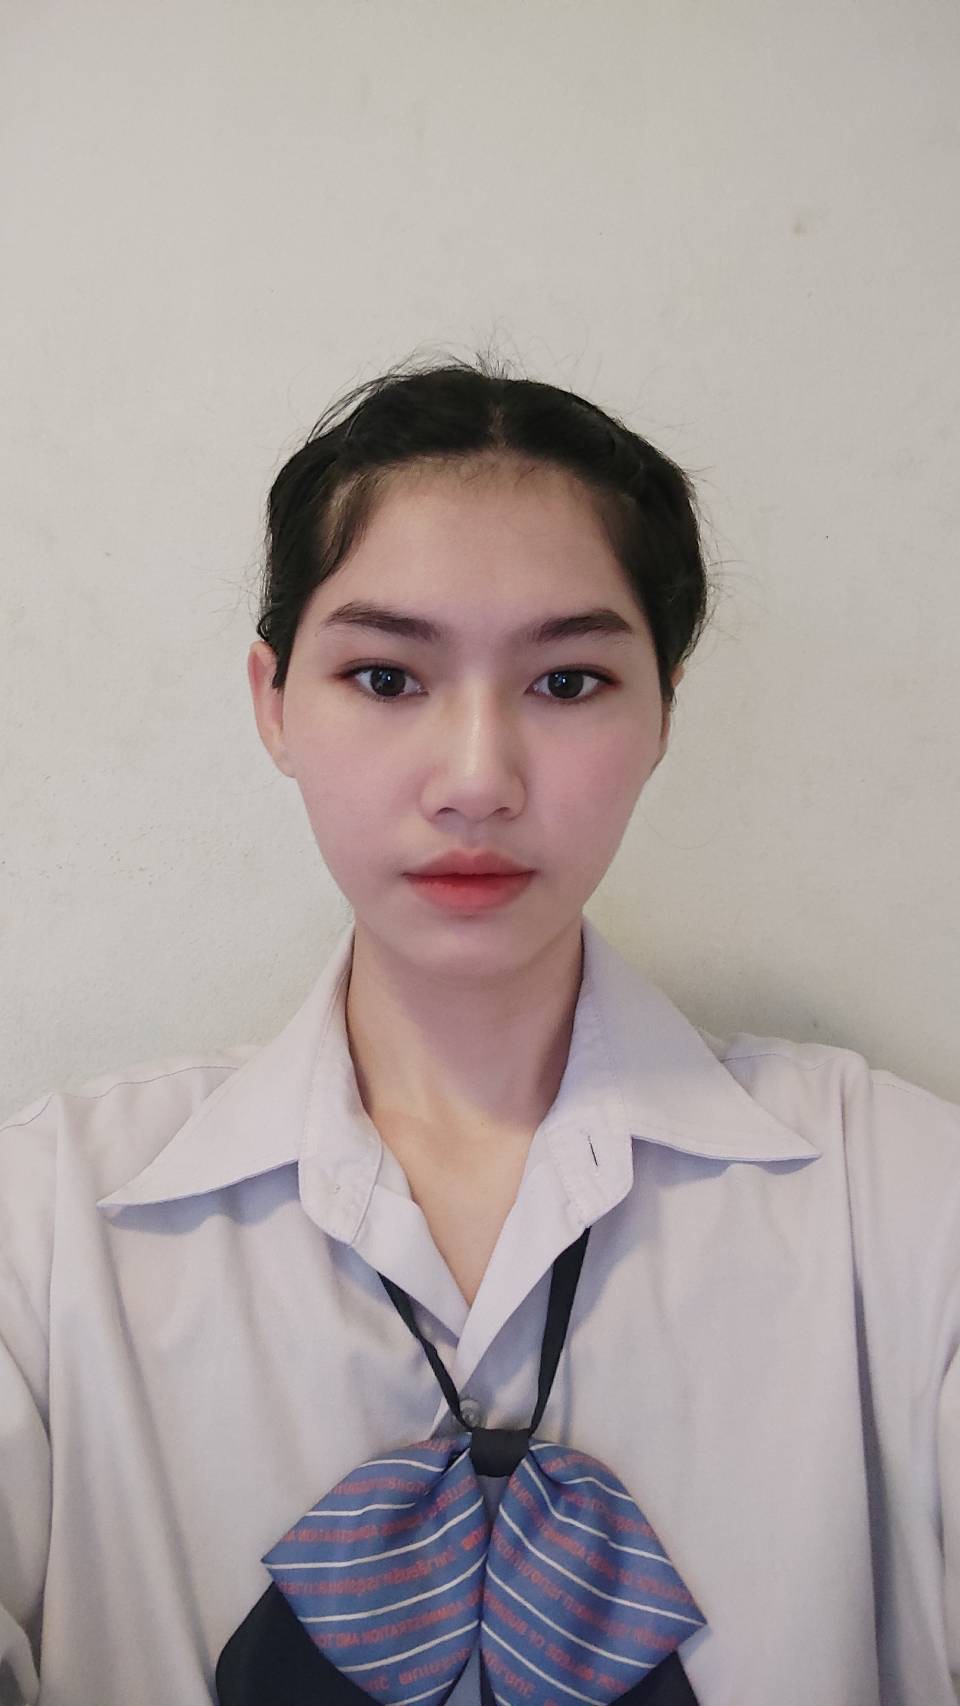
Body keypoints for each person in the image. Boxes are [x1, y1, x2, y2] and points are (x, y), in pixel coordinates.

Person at [1, 355, 958, 1706]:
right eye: (386, 676)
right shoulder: (47, 1230)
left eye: (567, 683)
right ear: (273, 702)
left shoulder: (903, 1207)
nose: (476, 780)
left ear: (664, 709)